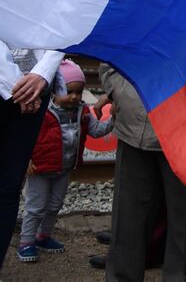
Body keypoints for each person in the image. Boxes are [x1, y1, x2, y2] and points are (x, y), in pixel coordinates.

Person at [100, 63, 186, 282]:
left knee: (185, 230)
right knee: (128, 224)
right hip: (135, 122)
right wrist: (117, 90)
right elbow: (112, 41)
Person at [16, 59, 116, 262]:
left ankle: (43, 236)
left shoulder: (82, 112)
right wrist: (26, 160)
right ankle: (26, 242)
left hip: (64, 168)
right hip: (40, 169)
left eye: (79, 92)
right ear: (54, 90)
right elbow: (25, 138)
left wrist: (113, 120)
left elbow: (96, 131)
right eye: (68, 91)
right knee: (36, 207)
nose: (74, 97)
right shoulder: (43, 112)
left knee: (54, 205)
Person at [1, 38, 63, 274]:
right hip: (22, 86)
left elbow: (66, 24)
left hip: (35, 85)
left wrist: (43, 73)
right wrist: (18, 84)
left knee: (8, 188)